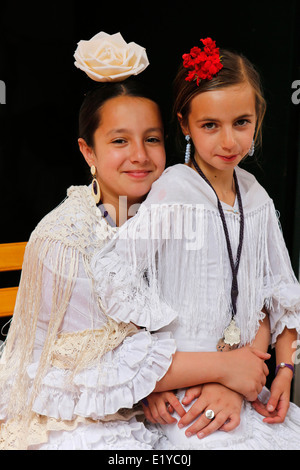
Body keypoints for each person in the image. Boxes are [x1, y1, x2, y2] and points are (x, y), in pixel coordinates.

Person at [92, 38, 300, 449]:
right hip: (184, 387)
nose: (228, 142)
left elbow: (277, 291)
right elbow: (114, 282)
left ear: (257, 118)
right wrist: (150, 379)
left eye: (241, 122)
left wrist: (284, 370)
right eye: (210, 126)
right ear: (185, 124)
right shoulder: (174, 190)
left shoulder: (256, 196)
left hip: (244, 382)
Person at [0, 31, 176, 450]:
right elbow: (96, 364)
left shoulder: (176, 220)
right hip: (78, 410)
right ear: (88, 151)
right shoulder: (66, 238)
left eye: (152, 138)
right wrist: (222, 369)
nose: (140, 154)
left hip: (165, 397)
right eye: (119, 140)